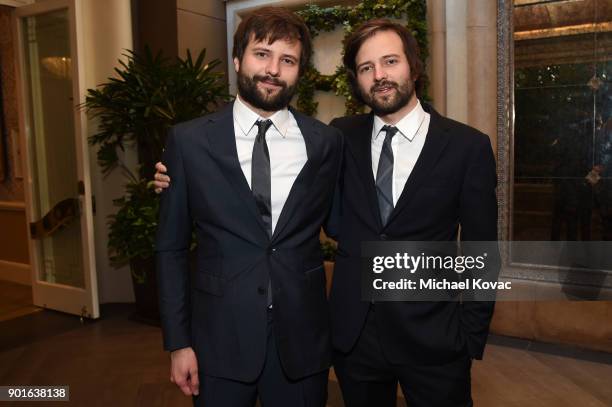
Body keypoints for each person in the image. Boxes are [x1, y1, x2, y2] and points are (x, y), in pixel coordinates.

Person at [156, 17, 498, 407]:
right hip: (348, 341)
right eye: (367, 67)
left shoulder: (463, 147)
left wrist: (469, 335)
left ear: (414, 66)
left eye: (390, 62)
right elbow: (327, 219)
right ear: (237, 61)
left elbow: (481, 251)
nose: (380, 75)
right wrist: (171, 178)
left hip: (433, 339)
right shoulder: (339, 138)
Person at [155, 7, 342, 407]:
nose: (273, 69)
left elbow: (346, 220)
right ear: (238, 59)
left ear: (299, 71)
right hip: (217, 341)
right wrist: (178, 342)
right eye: (262, 54)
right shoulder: (188, 143)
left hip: (302, 341)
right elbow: (170, 249)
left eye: (287, 60)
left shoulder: (325, 143)